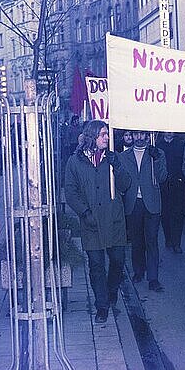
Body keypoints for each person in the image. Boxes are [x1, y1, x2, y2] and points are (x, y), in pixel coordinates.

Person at [64, 120, 130, 323]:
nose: (107, 138)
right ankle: (101, 306)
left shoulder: (113, 158)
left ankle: (111, 292)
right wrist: (84, 212)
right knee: (96, 265)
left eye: (107, 134)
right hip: (91, 222)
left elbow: (125, 184)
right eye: (103, 134)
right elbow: (71, 191)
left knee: (118, 261)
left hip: (114, 220)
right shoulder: (75, 162)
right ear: (92, 137)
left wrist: (117, 166)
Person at [120, 131, 167, 292]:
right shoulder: (124, 156)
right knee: (137, 241)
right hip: (133, 203)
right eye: (136, 134)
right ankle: (138, 271)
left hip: (152, 203)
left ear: (148, 136)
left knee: (152, 241)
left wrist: (158, 159)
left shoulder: (157, 153)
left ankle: (153, 278)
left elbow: (162, 177)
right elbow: (121, 183)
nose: (139, 138)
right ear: (131, 136)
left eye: (142, 135)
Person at [157, 132, 185, 253]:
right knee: (165, 213)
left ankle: (177, 242)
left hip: (177, 183)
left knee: (178, 214)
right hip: (163, 184)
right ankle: (168, 238)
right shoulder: (158, 145)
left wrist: (183, 178)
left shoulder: (181, 145)